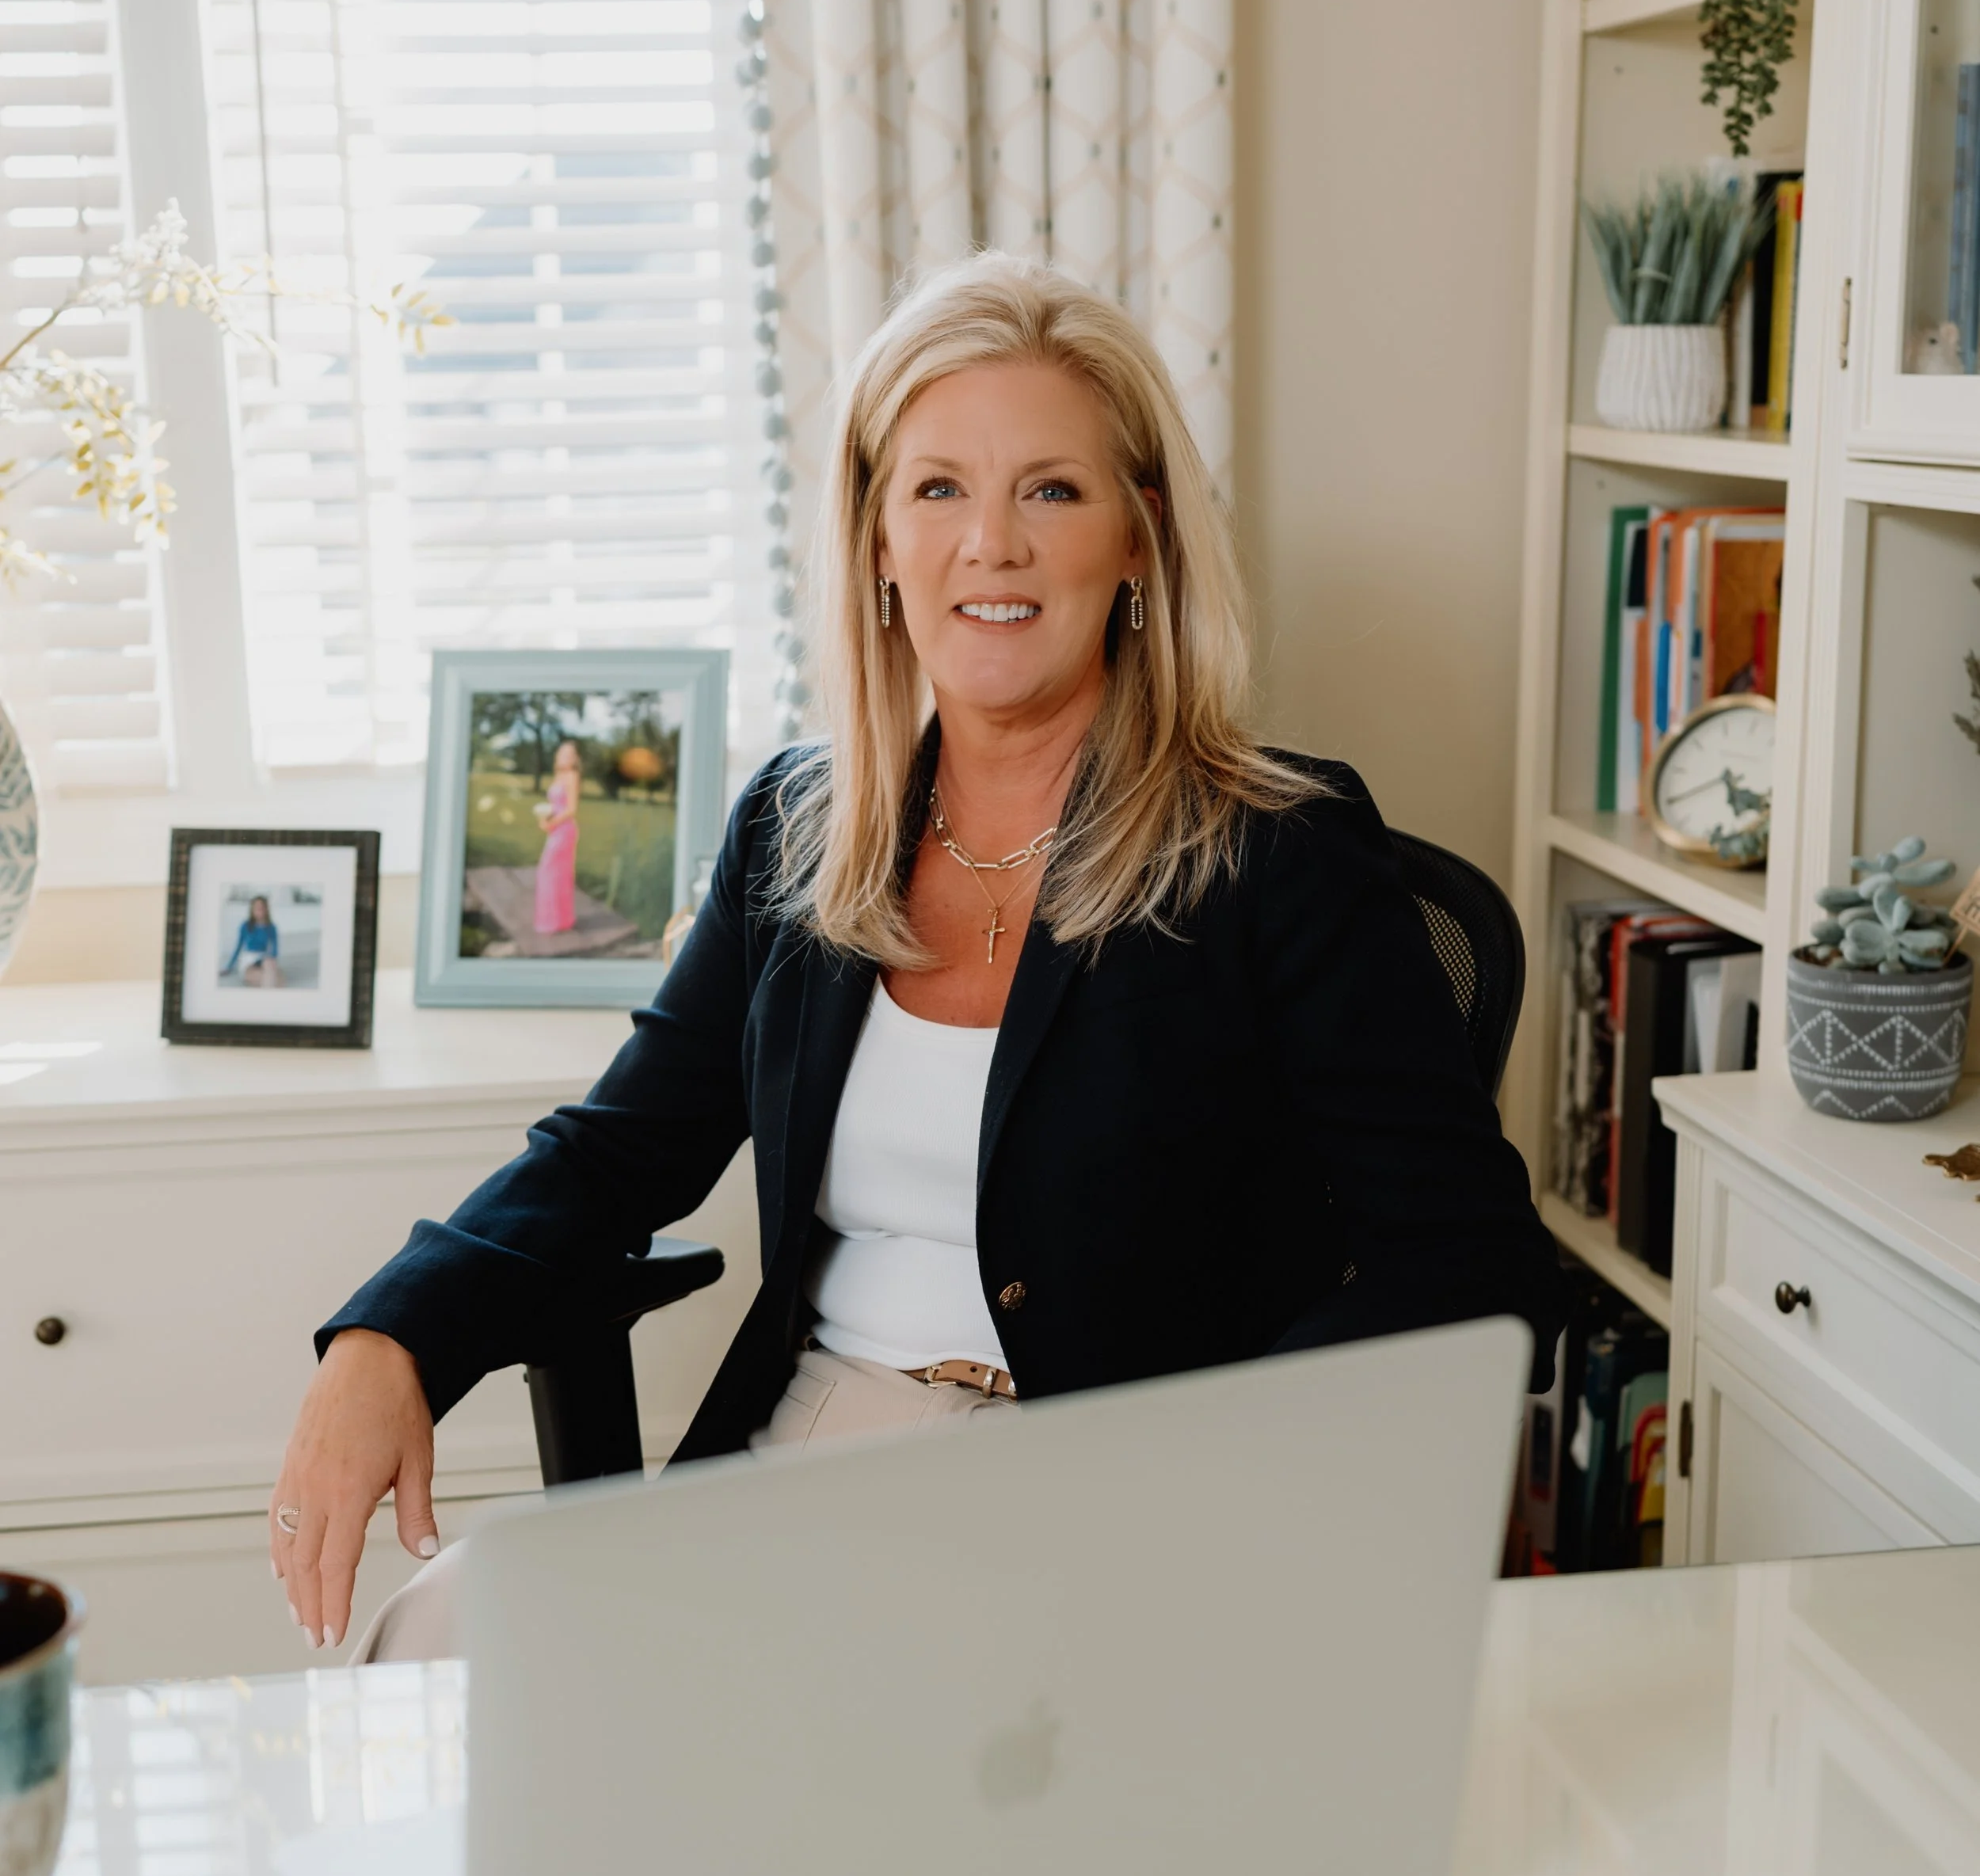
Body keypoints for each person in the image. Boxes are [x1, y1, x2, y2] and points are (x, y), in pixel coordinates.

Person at [268, 253, 1567, 1650]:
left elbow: (1470, 1261)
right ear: (878, 539)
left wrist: (1212, 1483)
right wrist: (389, 1334)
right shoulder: (801, 825)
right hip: (822, 1446)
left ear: (1140, 536)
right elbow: (619, 1149)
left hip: (1127, 1493)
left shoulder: (1276, 851)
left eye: (1050, 491)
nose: (989, 546)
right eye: (938, 488)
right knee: (446, 1643)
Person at [532, 738, 581, 937]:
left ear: (574, 759)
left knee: (549, 870)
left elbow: (571, 808)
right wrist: (545, 820)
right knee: (554, 873)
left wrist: (553, 822)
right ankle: (557, 920)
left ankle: (555, 921)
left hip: (565, 830)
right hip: (556, 829)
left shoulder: (572, 776)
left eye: (570, 754)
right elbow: (555, 805)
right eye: (563, 753)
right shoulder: (558, 776)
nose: (566, 757)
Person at [221, 894, 281, 987]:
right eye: (257, 907)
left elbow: (275, 949)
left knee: (270, 966)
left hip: (263, 958)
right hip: (249, 959)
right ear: (252, 910)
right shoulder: (245, 926)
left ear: (266, 909)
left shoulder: (271, 927)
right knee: (273, 979)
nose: (259, 910)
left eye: (262, 907)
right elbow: (238, 947)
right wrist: (228, 967)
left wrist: (271, 959)